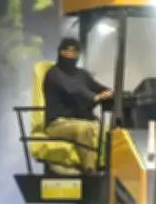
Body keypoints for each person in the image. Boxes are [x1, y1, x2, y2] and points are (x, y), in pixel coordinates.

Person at [43, 38, 113, 171]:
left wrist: (111, 93)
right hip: (58, 124)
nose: (71, 56)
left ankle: (107, 167)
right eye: (67, 52)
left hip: (81, 120)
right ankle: (90, 169)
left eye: (74, 53)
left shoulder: (82, 74)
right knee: (84, 130)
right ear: (60, 53)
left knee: (108, 130)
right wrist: (94, 97)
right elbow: (73, 88)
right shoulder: (54, 73)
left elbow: (98, 87)